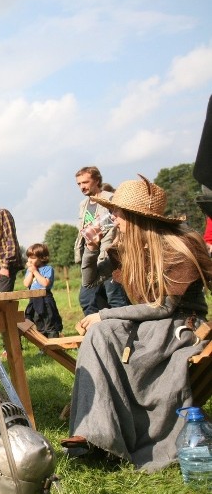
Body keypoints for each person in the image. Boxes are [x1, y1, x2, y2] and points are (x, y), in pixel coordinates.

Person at [61, 176, 212, 471]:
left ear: (135, 216)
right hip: (148, 326)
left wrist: (105, 314)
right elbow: (90, 281)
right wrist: (92, 249)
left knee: (104, 326)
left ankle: (105, 433)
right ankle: (92, 432)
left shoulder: (177, 247)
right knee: (100, 333)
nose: (112, 218)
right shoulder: (128, 247)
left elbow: (164, 307)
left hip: (177, 329)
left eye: (117, 212)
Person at [74, 166, 129, 315]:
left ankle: (127, 334)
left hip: (109, 257)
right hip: (91, 257)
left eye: (85, 182)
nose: (82, 187)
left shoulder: (111, 198)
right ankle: (98, 335)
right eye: (79, 184)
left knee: (115, 299)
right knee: (88, 300)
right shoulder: (83, 204)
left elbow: (117, 225)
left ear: (97, 180)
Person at [23, 243, 63, 339]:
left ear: (41, 258)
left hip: (45, 299)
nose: (29, 260)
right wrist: (31, 272)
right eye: (28, 257)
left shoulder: (47, 269)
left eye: (33, 258)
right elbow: (26, 284)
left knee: (49, 321)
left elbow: (45, 283)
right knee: (38, 321)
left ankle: (54, 343)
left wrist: (35, 272)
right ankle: (43, 344)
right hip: (34, 299)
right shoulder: (30, 271)